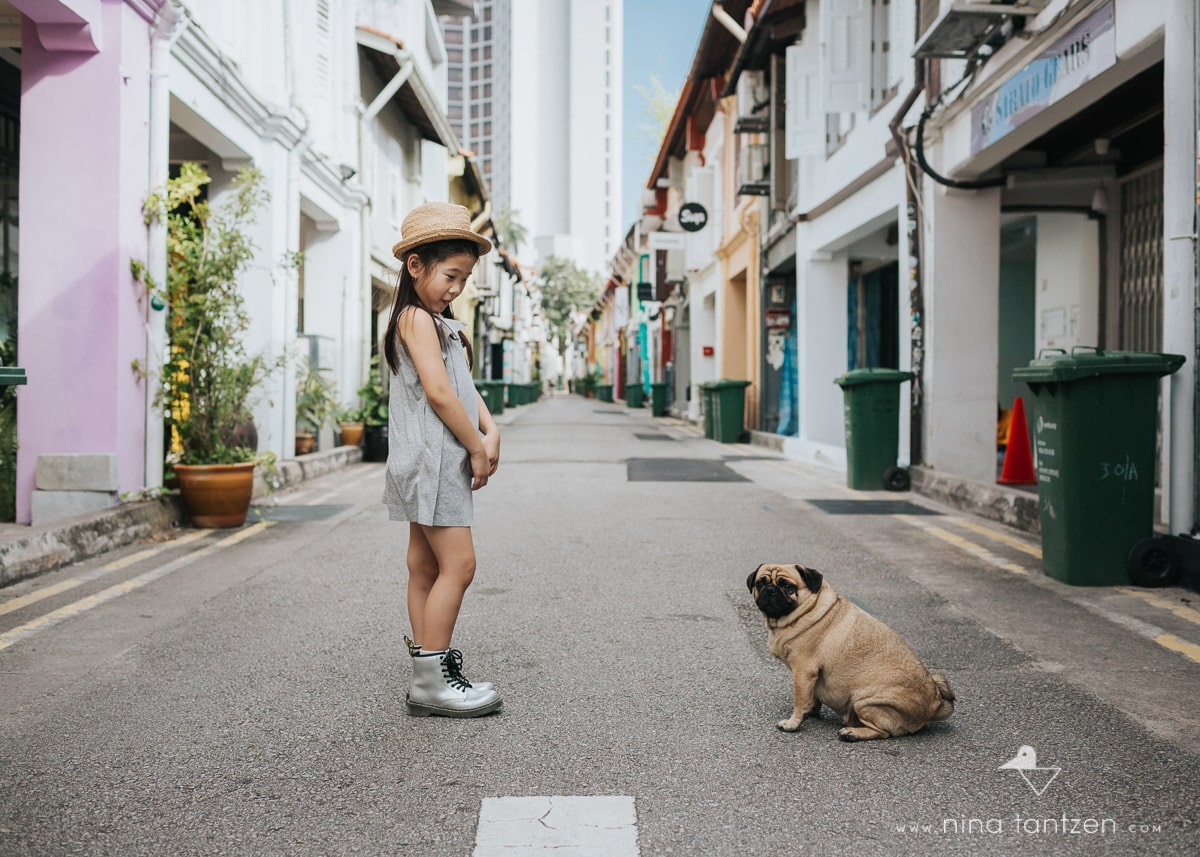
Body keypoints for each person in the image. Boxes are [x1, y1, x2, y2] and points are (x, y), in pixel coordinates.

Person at [381, 201, 502, 719]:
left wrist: (490, 426)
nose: (457, 287)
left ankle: (427, 673)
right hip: (432, 459)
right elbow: (438, 392)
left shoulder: (434, 320)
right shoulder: (414, 318)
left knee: (424, 565)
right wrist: (476, 446)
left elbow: (461, 387)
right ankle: (431, 681)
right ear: (416, 265)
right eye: (451, 275)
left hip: (422, 458)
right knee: (461, 564)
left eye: (464, 278)